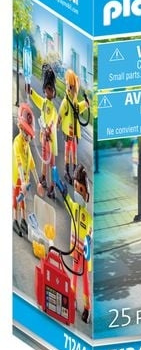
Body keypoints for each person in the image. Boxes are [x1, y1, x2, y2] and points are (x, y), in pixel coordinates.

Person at [56, 164, 92, 323]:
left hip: (84, 254)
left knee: (84, 280)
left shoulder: (88, 216)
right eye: (76, 187)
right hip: (75, 251)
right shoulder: (75, 207)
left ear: (87, 194)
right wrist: (63, 190)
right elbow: (68, 202)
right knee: (74, 276)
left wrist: (89, 242)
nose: (77, 192)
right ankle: (72, 298)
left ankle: (87, 308)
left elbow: (91, 232)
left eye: (80, 189)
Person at [12, 103, 44, 236]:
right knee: (16, 198)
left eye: (30, 134)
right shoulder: (17, 143)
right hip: (17, 178)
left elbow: (32, 165)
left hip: (24, 179)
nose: (28, 138)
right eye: (27, 133)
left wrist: (38, 182)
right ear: (21, 128)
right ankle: (15, 219)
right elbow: (19, 162)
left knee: (23, 200)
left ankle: (24, 220)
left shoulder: (27, 146)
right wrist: (23, 182)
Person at [30, 63, 58, 198]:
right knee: (44, 159)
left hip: (50, 140)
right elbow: (36, 98)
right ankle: (43, 177)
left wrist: (49, 128)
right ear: (45, 89)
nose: (50, 91)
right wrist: (30, 91)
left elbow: (54, 118)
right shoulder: (44, 102)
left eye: (51, 89)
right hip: (44, 138)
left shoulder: (52, 108)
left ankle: (53, 186)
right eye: (48, 89)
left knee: (52, 163)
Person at [58, 69, 89, 185]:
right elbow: (60, 113)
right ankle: (66, 172)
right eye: (72, 87)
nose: (73, 89)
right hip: (68, 134)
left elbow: (78, 108)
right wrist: (57, 124)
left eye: (73, 87)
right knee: (67, 153)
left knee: (74, 154)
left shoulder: (74, 101)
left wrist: (85, 104)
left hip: (74, 134)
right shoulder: (66, 102)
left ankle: (75, 172)